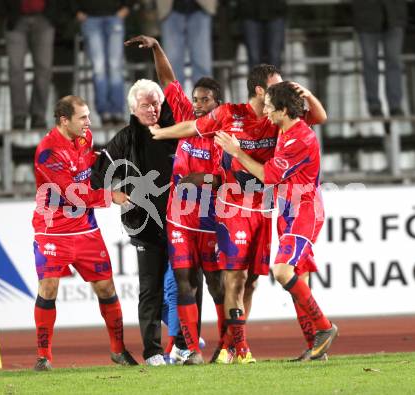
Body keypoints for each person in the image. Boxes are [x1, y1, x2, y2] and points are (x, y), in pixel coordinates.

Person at [150, 64, 327, 364]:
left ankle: (247, 344)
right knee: (234, 277)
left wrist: (306, 93)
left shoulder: (281, 119)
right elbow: (194, 127)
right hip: (233, 208)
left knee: (253, 282)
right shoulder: (230, 114)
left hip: (267, 208)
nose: (283, 87)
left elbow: (318, 118)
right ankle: (236, 348)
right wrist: (161, 132)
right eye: (276, 84)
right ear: (260, 90)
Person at [214, 81, 338, 361]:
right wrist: (306, 94)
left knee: (282, 271)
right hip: (286, 211)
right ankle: (316, 347)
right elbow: (318, 115)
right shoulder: (286, 128)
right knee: (299, 280)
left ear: (283, 110)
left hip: (303, 211)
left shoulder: (299, 139)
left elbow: (268, 175)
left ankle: (325, 328)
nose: (265, 112)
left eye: (270, 107)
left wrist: (237, 153)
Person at [125, 35, 224, 365]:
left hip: (208, 220)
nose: (197, 104)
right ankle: (187, 348)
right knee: (180, 283)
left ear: (218, 105)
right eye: (196, 98)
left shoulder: (223, 135)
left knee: (213, 285)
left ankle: (227, 345)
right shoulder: (187, 116)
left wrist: (199, 179)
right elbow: (168, 81)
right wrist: (156, 48)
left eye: (205, 100)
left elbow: (229, 178)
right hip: (178, 218)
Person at [31, 95, 138, 371]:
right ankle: (44, 357)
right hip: (52, 229)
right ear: (64, 120)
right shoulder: (48, 152)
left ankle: (118, 350)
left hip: (86, 229)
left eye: (89, 116)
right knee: (49, 287)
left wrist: (104, 159)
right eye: (83, 117)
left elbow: (86, 162)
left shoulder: (83, 138)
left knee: (106, 287)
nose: (89, 122)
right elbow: (70, 193)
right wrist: (109, 196)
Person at [91, 79, 178, 366]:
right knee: (151, 288)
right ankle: (153, 351)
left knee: (185, 286)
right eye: (145, 105)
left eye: (156, 103)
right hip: (145, 225)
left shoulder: (176, 132)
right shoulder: (124, 138)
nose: (152, 109)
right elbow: (96, 176)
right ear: (133, 108)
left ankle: (184, 344)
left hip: (182, 224)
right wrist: (114, 194)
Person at [0, 0, 56, 130]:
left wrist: (53, 14)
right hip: (15, 19)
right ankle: (19, 116)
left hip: (44, 18)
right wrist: (5, 14)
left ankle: (38, 115)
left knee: (44, 68)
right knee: (15, 69)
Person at [72, 0, 133, 125]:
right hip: (90, 17)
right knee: (99, 67)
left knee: (115, 66)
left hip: (114, 15)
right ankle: (105, 112)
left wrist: (127, 6)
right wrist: (76, 10)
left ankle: (117, 111)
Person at [352, 0, 408, 117]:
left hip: (395, 15)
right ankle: (374, 105)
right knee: (370, 63)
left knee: (394, 62)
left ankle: (395, 105)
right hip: (366, 16)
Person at [156, 0, 217, 89]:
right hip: (169, 9)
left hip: (201, 8)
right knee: (171, 69)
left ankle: (204, 101)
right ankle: (174, 102)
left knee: (202, 65)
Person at [237, 0, 287, 70]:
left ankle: (274, 80)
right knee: (254, 57)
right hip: (249, 12)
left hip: (276, 11)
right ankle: (256, 80)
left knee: (274, 57)